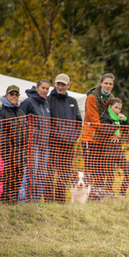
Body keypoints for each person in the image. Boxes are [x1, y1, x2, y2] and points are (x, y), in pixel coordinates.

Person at [45, 73, 82, 203]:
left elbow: (78, 121)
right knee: (50, 173)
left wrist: (74, 137)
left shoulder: (72, 101)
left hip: (69, 145)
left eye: (63, 84)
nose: (60, 87)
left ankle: (61, 200)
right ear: (55, 84)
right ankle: (49, 200)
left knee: (64, 173)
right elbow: (46, 121)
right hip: (53, 143)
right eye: (58, 84)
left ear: (68, 85)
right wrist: (56, 135)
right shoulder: (48, 100)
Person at [19, 79, 51, 201]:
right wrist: (31, 132)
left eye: (47, 89)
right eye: (43, 88)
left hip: (44, 145)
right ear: (37, 88)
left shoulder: (46, 104)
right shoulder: (28, 102)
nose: (45, 91)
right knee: (32, 173)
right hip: (33, 144)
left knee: (42, 175)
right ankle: (27, 199)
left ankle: (37, 200)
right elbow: (21, 120)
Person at [82, 73, 115, 190]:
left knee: (101, 170)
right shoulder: (92, 97)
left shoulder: (112, 98)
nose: (108, 86)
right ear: (101, 83)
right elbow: (94, 120)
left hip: (103, 139)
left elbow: (114, 117)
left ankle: (98, 193)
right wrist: (110, 129)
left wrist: (117, 128)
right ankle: (88, 193)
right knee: (91, 169)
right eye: (106, 83)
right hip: (90, 138)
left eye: (110, 84)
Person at [0, 85, 27, 203]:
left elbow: (26, 133)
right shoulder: (0, 112)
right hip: (7, 155)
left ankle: (13, 204)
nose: (14, 96)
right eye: (11, 94)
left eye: (16, 94)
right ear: (6, 96)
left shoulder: (21, 112)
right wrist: (9, 150)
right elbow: (0, 134)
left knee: (17, 182)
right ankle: (4, 205)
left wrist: (24, 152)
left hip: (21, 156)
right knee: (6, 181)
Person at [100, 98, 129, 198]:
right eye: (116, 108)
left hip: (118, 150)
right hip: (108, 151)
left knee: (128, 173)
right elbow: (105, 130)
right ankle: (109, 196)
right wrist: (116, 127)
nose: (118, 110)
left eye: (119, 108)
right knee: (110, 176)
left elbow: (126, 131)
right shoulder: (105, 117)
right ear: (110, 107)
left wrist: (125, 120)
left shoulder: (119, 118)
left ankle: (121, 195)